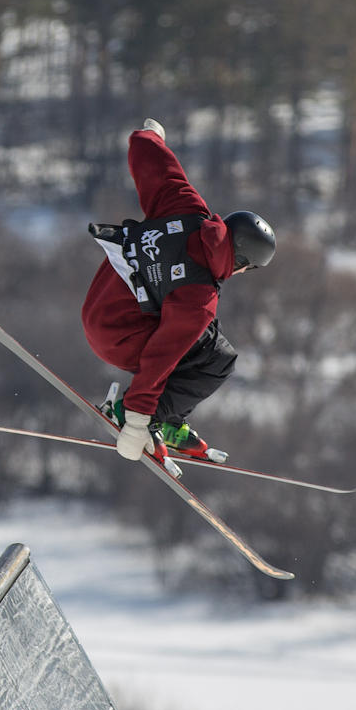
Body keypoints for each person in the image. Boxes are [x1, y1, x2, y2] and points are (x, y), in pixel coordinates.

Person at [82, 118, 276, 465]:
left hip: (97, 308)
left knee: (206, 338)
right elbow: (161, 356)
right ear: (243, 259)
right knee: (217, 360)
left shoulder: (187, 209)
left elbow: (156, 165)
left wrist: (150, 137)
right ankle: (149, 418)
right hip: (120, 337)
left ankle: (166, 417)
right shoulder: (198, 298)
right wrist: (138, 419)